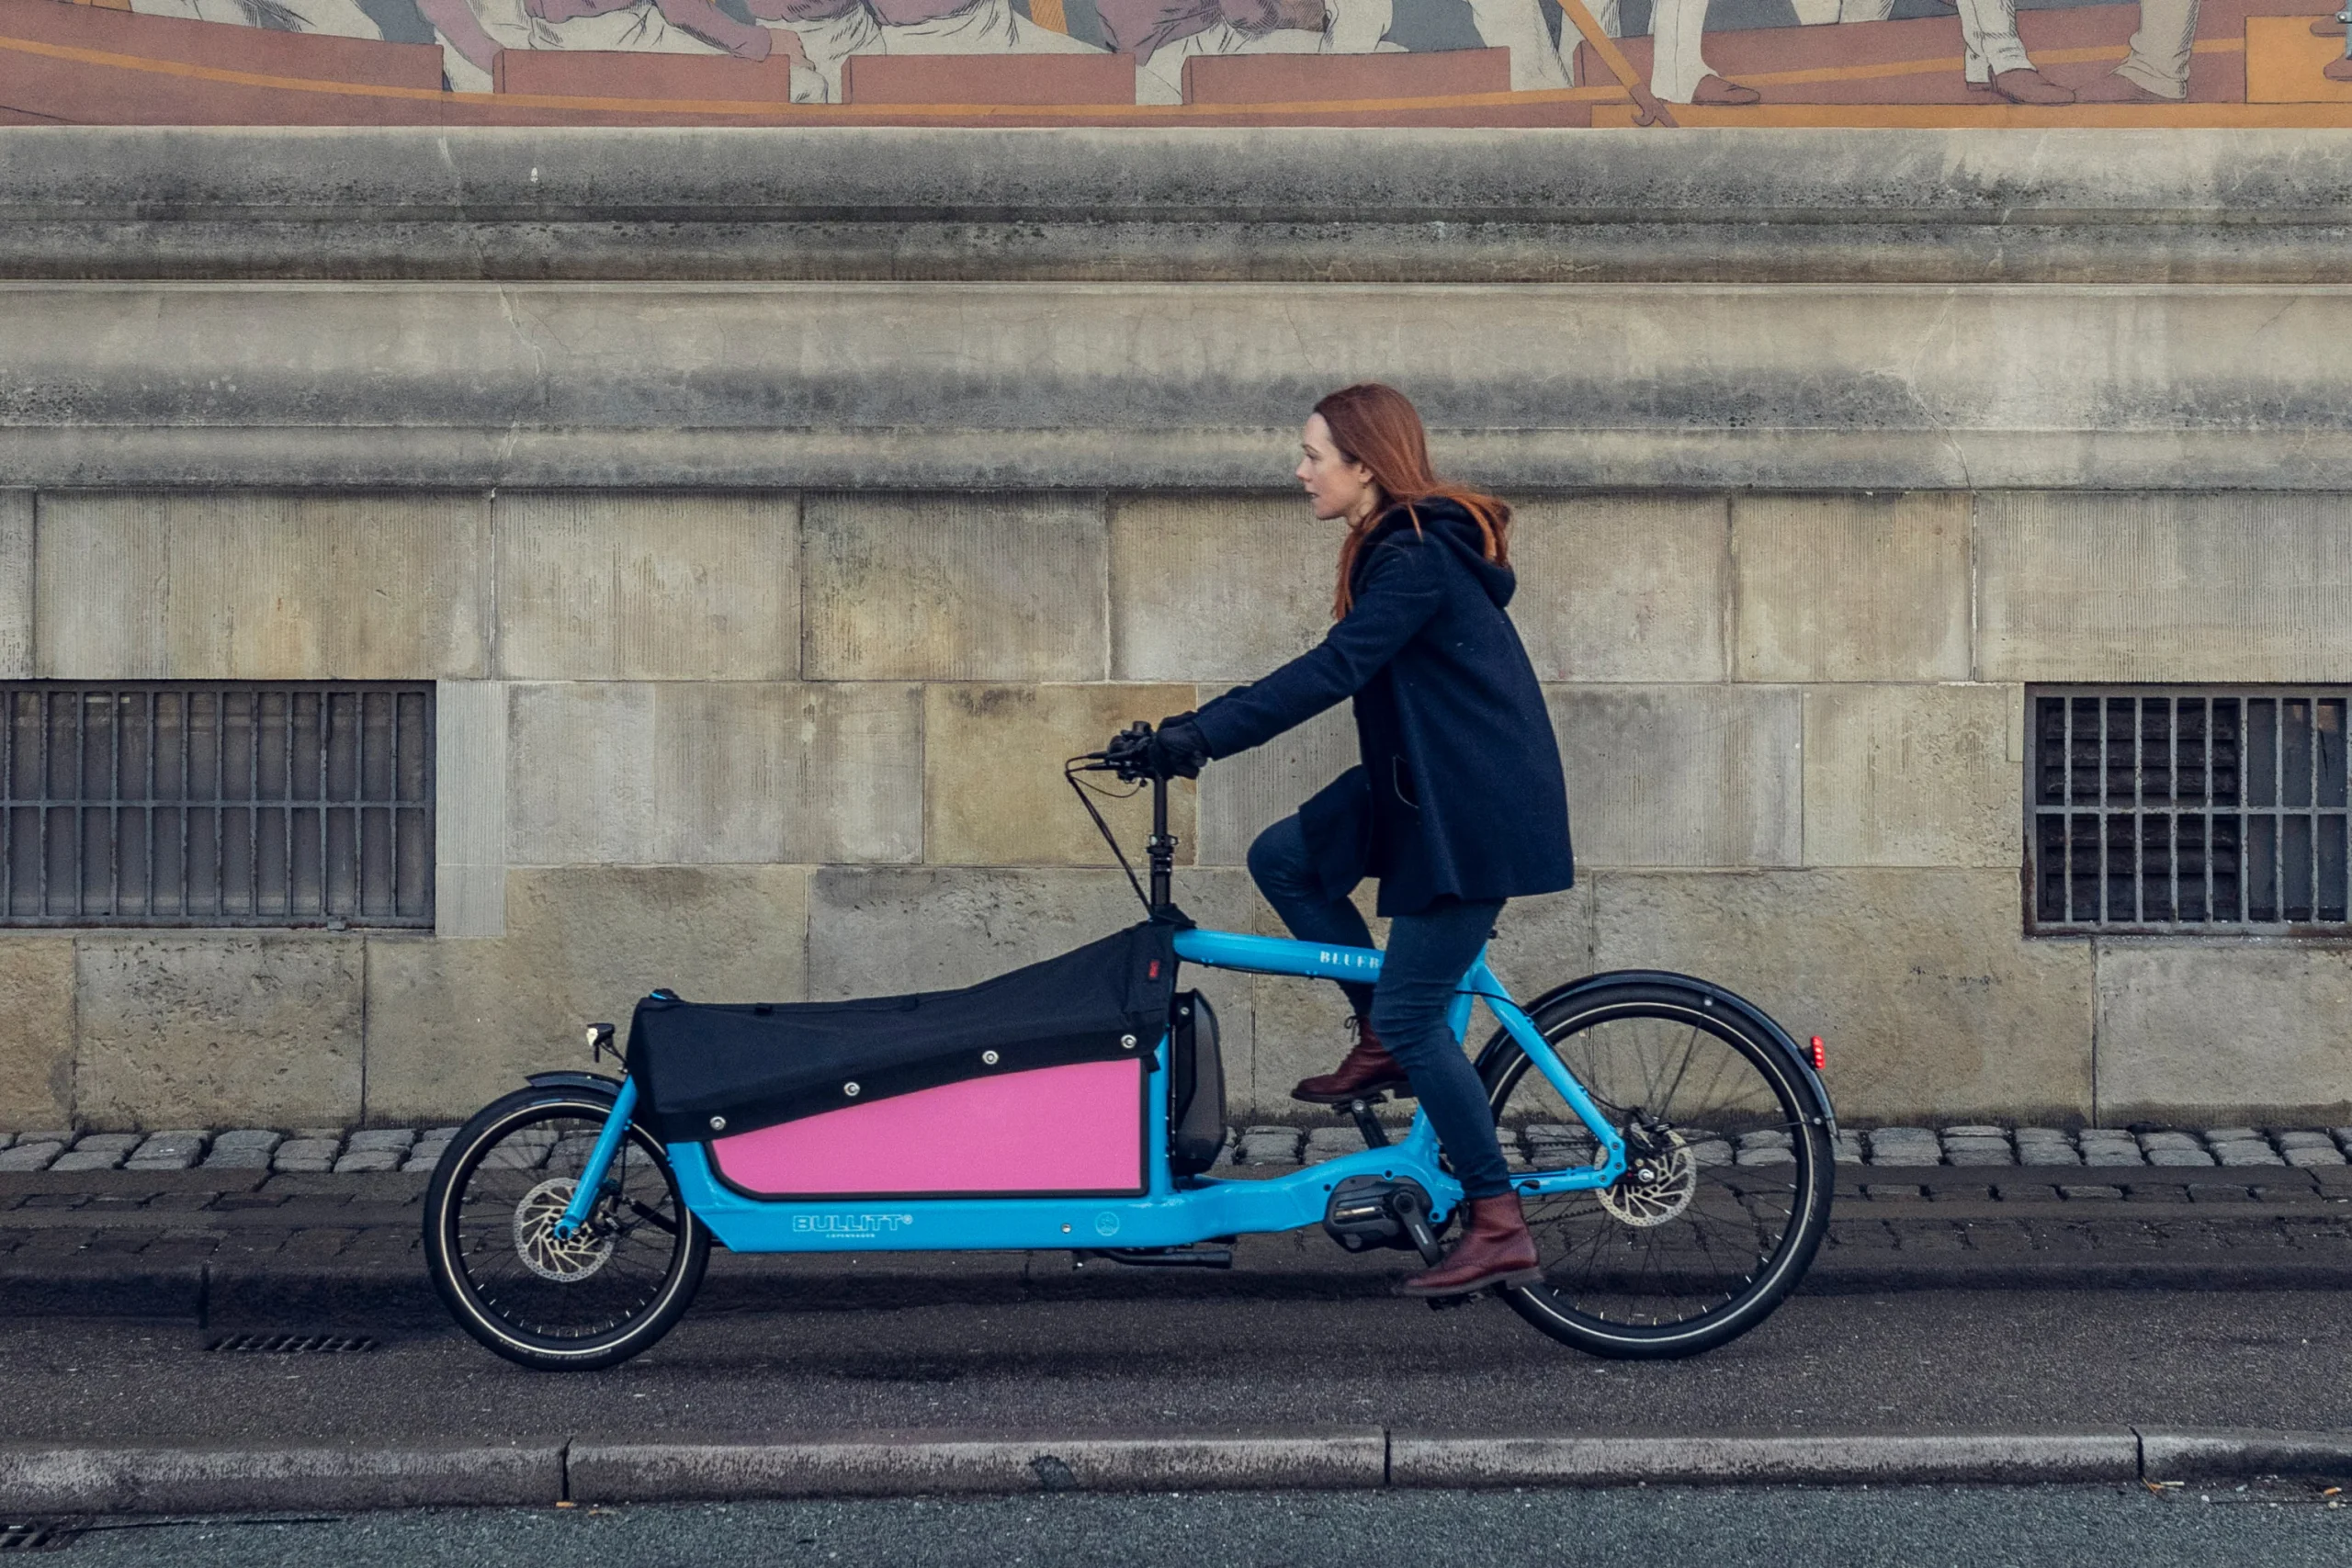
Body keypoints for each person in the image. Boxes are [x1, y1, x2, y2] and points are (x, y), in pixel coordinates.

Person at [1131, 382, 1576, 1300]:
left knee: (1422, 1016)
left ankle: (1496, 1221)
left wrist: (1198, 736)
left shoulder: (1413, 554)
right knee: (1285, 858)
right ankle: (1377, 1027)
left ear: (1364, 465)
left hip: (1467, 808)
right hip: (1421, 787)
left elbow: (1334, 671)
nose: (1300, 472)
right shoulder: (1392, 547)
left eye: (1313, 456)